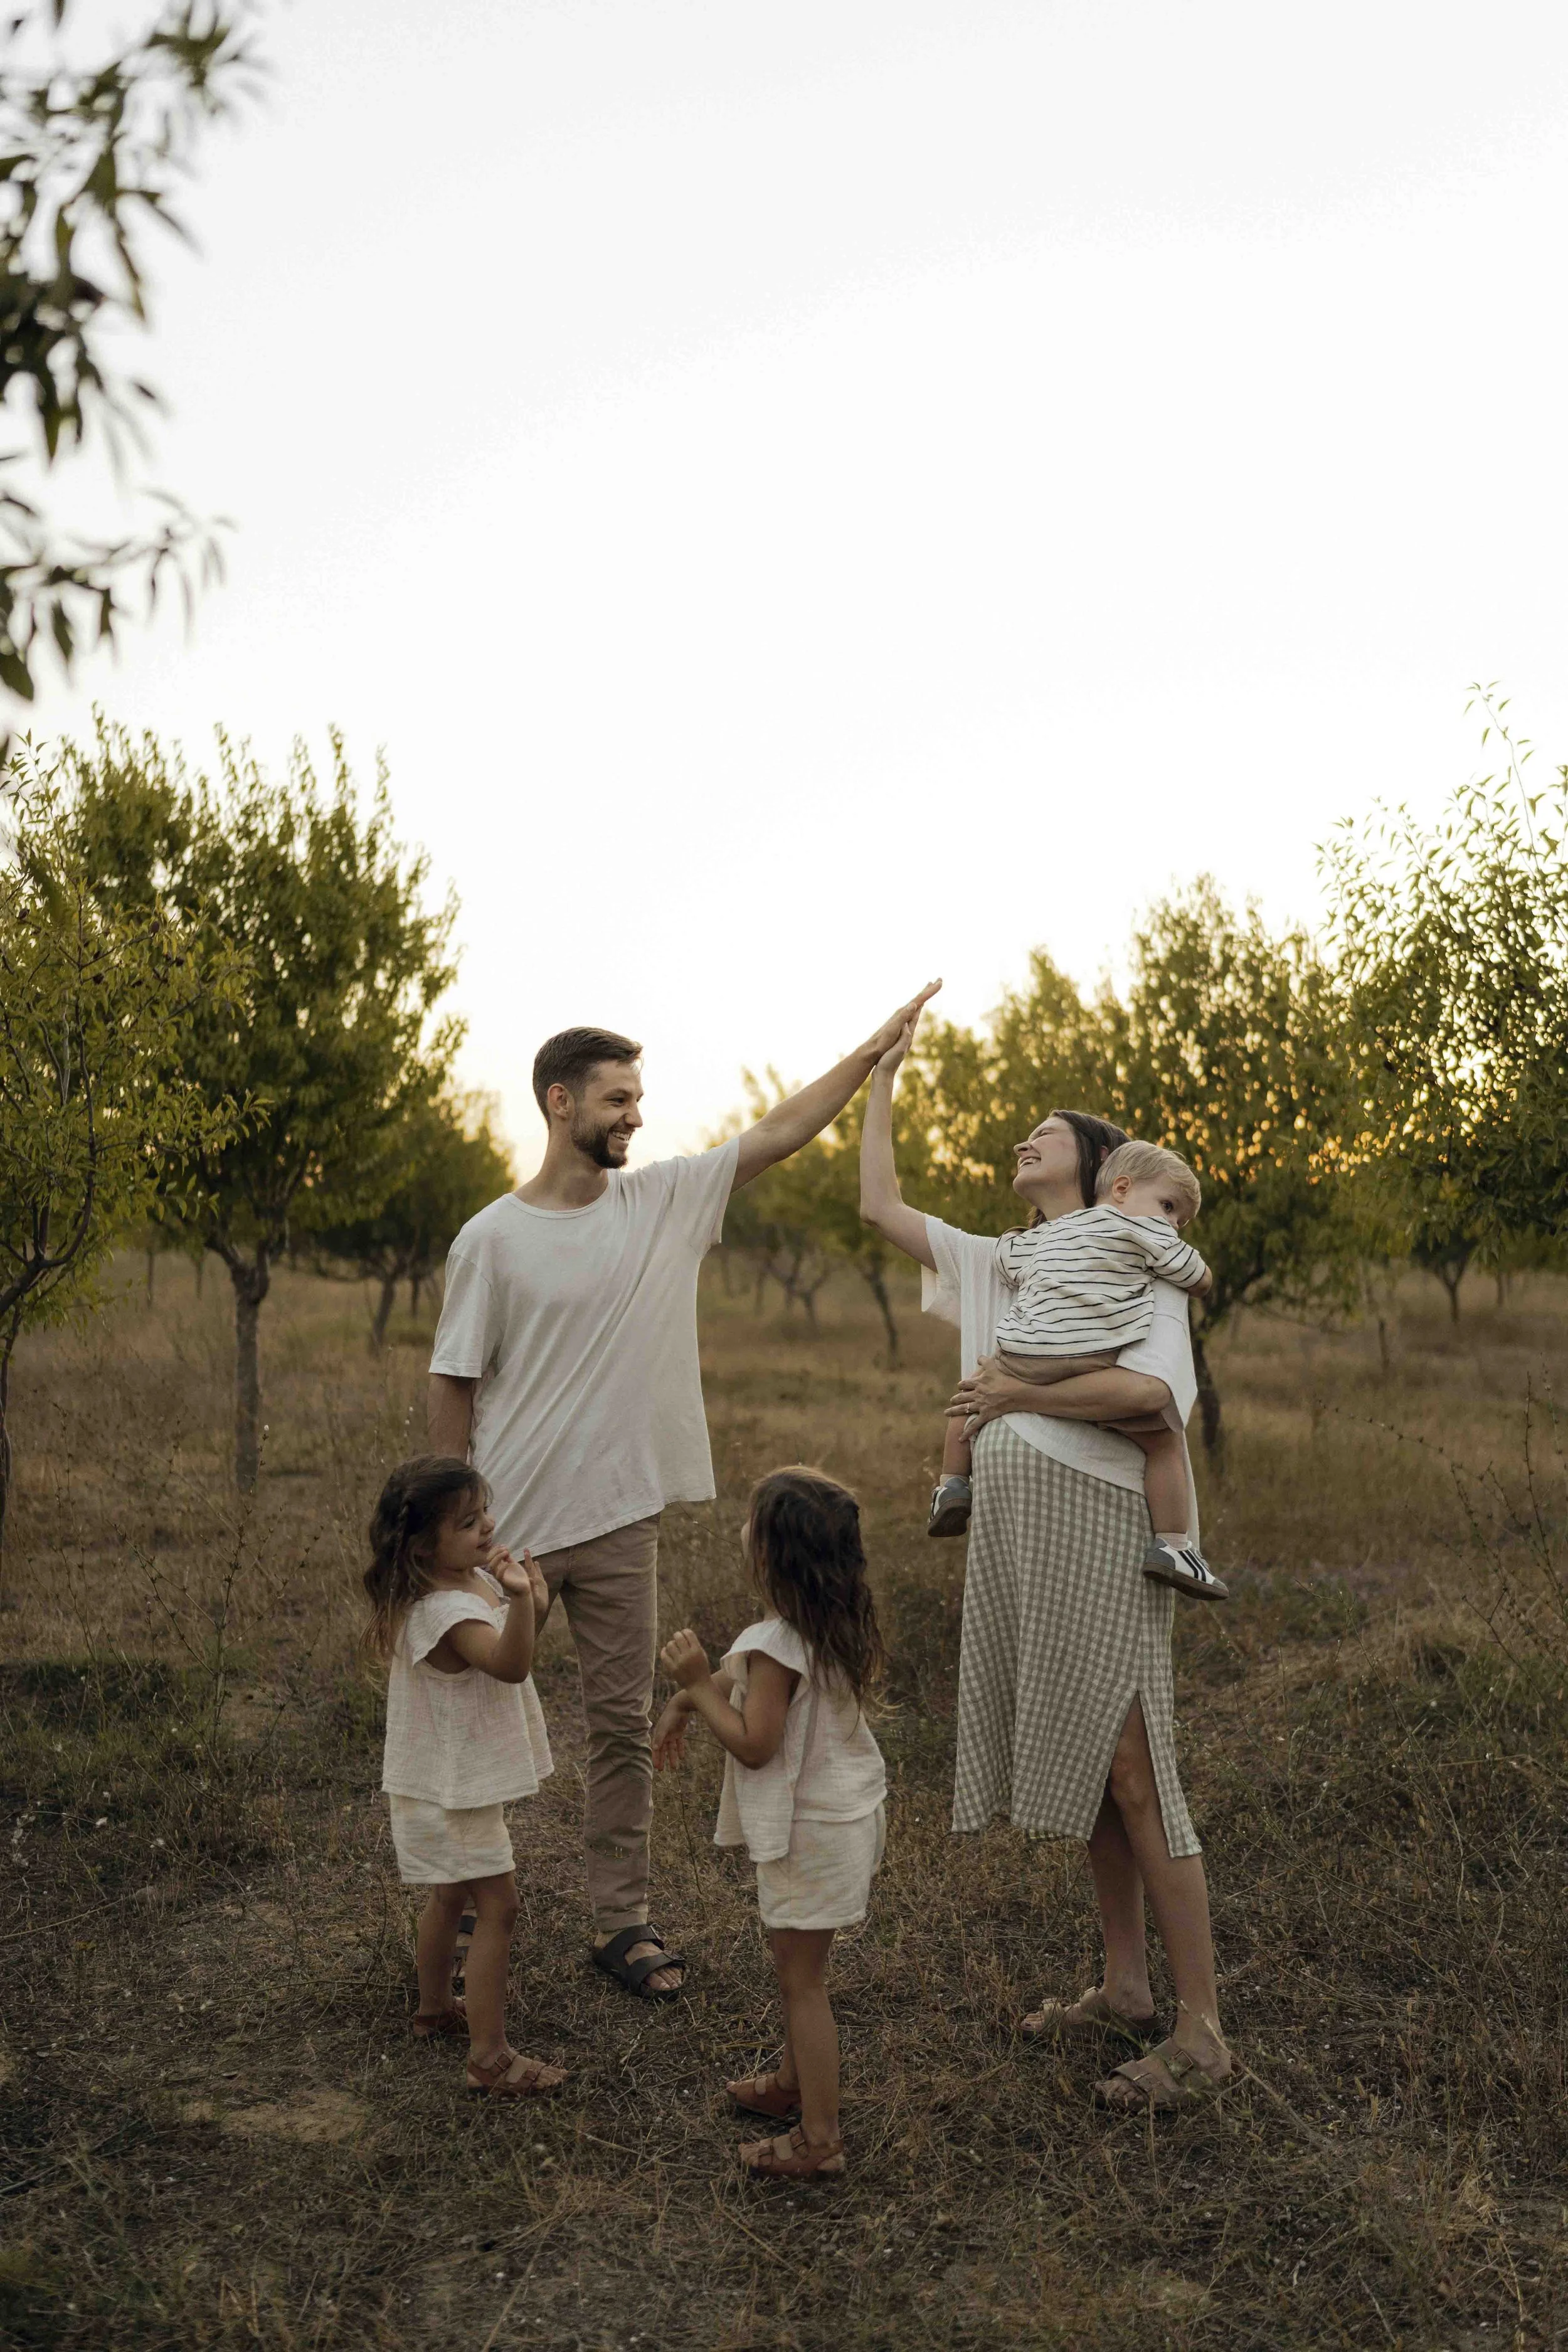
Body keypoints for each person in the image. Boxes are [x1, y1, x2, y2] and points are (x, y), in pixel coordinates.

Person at [427, 988, 937, 2001]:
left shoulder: (662, 1201)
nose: (635, 1116)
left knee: (619, 1727)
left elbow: (780, 1131)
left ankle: (621, 1921)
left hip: (621, 1515)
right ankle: (454, 1911)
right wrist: (455, 1534)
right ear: (559, 1101)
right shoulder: (490, 1239)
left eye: (640, 1098)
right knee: (473, 1725)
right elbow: (452, 1383)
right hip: (509, 1531)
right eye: (617, 1099)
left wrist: (875, 1053)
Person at [860, 1025, 1233, 2111]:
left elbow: (1154, 1402)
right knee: (1089, 1767)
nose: (1027, 1139)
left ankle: (1202, 2030)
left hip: (1103, 1522)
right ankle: (1123, 1986)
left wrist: (1017, 1399)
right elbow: (880, 1209)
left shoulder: (1137, 1258)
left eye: (1048, 1133)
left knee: (1135, 1766)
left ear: (1102, 1166)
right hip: (1024, 1533)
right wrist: (884, 1083)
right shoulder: (1004, 1259)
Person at [651, 1467, 887, 2180]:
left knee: (801, 1983)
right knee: (801, 1970)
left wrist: (692, 1683)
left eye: (752, 1519)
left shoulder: (775, 1642)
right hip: (846, 1820)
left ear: (771, 1554)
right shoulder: (824, 1624)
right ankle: (790, 2086)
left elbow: (755, 1743)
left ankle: (820, 2138)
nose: (742, 1525)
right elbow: (744, 1682)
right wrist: (688, 1703)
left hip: (809, 1832)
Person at [927, 1138, 1227, 1602]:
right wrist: (1191, 1265)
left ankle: (951, 1486)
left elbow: (1006, 1261)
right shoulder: (1145, 1232)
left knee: (973, 1389)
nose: (1173, 1224)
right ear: (1122, 1189)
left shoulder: (1050, 1234)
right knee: (1163, 1441)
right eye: (1169, 1206)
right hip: (1088, 1356)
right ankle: (1174, 1547)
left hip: (1022, 1352)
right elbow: (1197, 1277)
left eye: (1180, 1219)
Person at [365, 1455, 566, 2100]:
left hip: (442, 1781)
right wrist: (519, 1602)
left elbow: (515, 1641)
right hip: (455, 1792)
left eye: (485, 1514)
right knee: (498, 1907)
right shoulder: (445, 1611)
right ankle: (490, 2056)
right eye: (468, 1522)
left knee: (449, 1899)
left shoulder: (463, 1581)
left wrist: (525, 1600)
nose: (487, 1529)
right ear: (426, 1543)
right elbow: (509, 1666)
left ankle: (433, 2010)